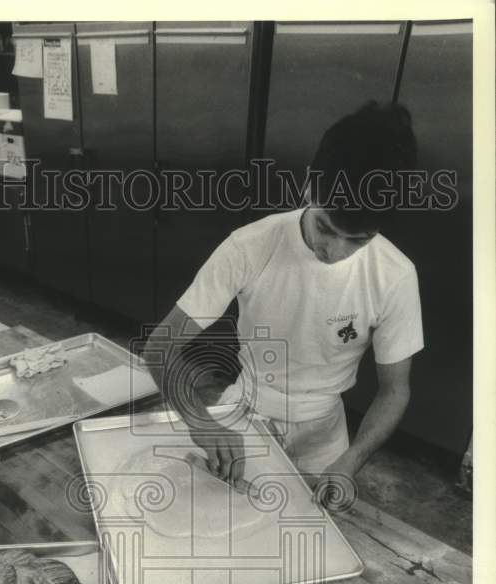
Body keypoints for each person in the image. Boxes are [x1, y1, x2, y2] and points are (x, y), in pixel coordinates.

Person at [144, 101, 423, 505]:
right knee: (220, 525)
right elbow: (159, 347)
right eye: (326, 227)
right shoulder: (250, 246)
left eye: (357, 240)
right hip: (245, 417)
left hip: (325, 436)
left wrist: (352, 460)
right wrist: (199, 420)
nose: (334, 251)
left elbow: (394, 391)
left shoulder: (395, 274)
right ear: (309, 184)